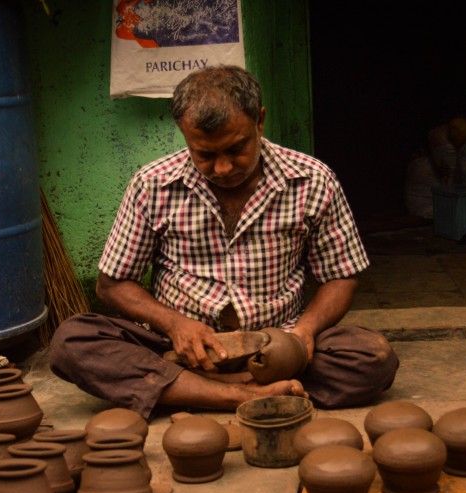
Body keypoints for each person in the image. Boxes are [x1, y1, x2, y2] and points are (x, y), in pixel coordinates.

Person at [50, 65, 398, 419]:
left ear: (259, 121)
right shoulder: (152, 185)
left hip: (277, 348)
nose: (223, 168)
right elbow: (112, 285)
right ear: (184, 134)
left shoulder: (312, 180)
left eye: (236, 149)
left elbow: (341, 276)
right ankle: (240, 395)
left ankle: (189, 391)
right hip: (176, 348)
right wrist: (175, 325)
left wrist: (304, 334)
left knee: (373, 357)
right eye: (205, 155)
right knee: (72, 340)